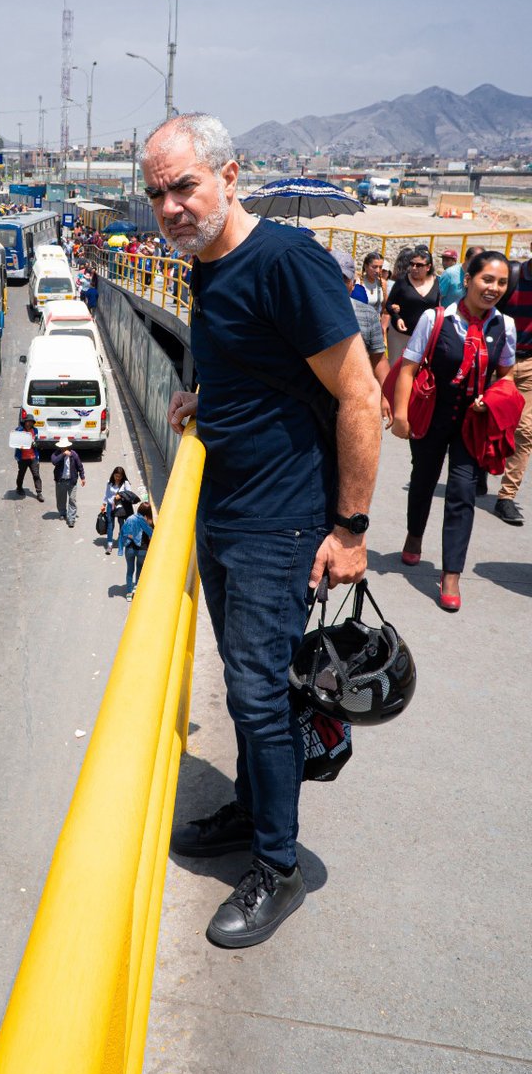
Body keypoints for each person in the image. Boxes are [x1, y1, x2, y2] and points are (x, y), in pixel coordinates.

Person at [143, 113, 380, 949]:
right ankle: (251, 809)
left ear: (229, 175)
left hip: (278, 527)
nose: (170, 206)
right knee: (248, 687)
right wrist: (208, 404)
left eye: (184, 186)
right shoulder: (207, 267)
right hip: (227, 513)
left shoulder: (285, 262)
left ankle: (277, 868)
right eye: (156, 193)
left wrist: (350, 530)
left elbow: (361, 394)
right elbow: (263, 371)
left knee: (261, 694)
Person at [393, 251, 516, 610]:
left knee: (463, 492)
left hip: (472, 422)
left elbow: (506, 376)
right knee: (424, 479)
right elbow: (408, 369)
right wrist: (401, 415)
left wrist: (492, 399)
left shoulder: (503, 327)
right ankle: (414, 535)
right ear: (468, 279)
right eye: (487, 279)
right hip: (433, 414)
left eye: (502, 282)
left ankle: (451, 575)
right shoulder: (436, 319)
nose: (494, 288)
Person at [493, 252, 532, 525]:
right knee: (487, 420)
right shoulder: (513, 277)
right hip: (498, 362)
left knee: (525, 430)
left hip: (530, 365)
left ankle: (506, 496)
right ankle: (477, 472)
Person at [331, 250, 392, 422]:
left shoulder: (367, 314)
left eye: (343, 279)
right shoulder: (307, 311)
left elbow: (379, 359)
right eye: (331, 275)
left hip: (357, 400)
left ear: (352, 283)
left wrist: (386, 396)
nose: (337, 283)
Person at [386, 246, 439, 362]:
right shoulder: (402, 281)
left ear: (428, 267)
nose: (414, 268)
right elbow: (389, 304)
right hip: (400, 335)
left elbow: (438, 309)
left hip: (424, 337)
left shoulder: (438, 283)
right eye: (412, 264)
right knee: (395, 369)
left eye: (419, 265)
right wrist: (397, 318)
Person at [118, 501, 153, 599]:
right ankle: (137, 589)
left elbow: (122, 533)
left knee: (130, 570)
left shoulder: (130, 519)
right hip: (143, 550)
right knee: (139, 570)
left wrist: (121, 548)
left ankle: (129, 593)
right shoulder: (149, 522)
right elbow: (152, 536)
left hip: (129, 549)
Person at [100, 465, 136, 555]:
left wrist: (121, 495)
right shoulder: (109, 482)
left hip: (121, 507)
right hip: (110, 506)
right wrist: (103, 504)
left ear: (122, 476)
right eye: (116, 476)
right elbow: (107, 494)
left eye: (119, 477)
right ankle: (109, 544)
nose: (117, 478)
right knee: (110, 525)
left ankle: (122, 541)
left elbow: (129, 494)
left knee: (121, 524)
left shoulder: (125, 483)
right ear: (113, 475)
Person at [50, 436, 85, 527]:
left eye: (66, 447)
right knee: (61, 499)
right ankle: (62, 513)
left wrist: (82, 477)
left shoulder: (74, 454)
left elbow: (80, 466)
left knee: (72, 500)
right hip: (60, 481)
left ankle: (71, 519)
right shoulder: (57, 454)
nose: (64, 449)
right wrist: (63, 455)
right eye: (62, 447)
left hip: (71, 481)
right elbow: (54, 461)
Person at [439, 244, 480, 309]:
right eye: (474, 260)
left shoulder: (479, 276)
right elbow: (438, 298)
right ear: (466, 259)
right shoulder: (449, 274)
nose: (477, 264)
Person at [14, 414, 44, 501]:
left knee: (36, 475)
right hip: (22, 457)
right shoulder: (19, 430)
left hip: (33, 457)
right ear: (25, 422)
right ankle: (19, 488)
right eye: (28, 421)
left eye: (31, 422)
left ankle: (39, 493)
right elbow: (15, 440)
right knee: (21, 474)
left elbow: (37, 442)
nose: (29, 423)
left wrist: (36, 444)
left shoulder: (35, 430)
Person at [356, 252, 388, 318]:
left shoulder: (382, 283)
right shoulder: (357, 282)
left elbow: (385, 306)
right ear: (366, 266)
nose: (378, 270)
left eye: (380, 267)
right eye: (374, 267)